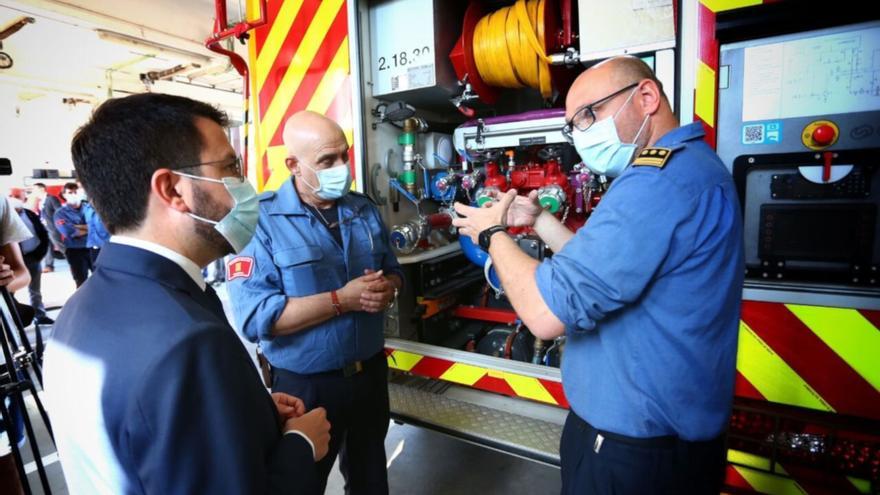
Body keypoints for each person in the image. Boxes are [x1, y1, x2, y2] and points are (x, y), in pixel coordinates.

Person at [452, 56, 744, 495]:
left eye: (591, 113)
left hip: (635, 453)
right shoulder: (690, 169)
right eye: (574, 125)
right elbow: (601, 271)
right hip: (666, 445)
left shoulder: (654, 184)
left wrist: (491, 234)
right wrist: (538, 220)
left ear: (646, 97)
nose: (584, 131)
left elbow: (547, 313)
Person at [44, 93, 330, 494]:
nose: (244, 186)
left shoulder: (81, 309)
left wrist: (253, 414)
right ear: (172, 189)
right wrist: (301, 444)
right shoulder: (188, 341)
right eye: (230, 167)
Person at [228, 111, 403, 495]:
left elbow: (393, 270)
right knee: (303, 483)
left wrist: (388, 288)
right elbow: (257, 317)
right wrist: (342, 300)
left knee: (371, 478)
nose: (342, 167)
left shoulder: (362, 208)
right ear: (293, 165)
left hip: (369, 376)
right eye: (327, 160)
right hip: (305, 389)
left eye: (344, 155)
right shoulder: (260, 220)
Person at [9, 197, 53, 324]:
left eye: (19, 210)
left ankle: (40, 315)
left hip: (33, 257)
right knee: (11, 291)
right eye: (15, 211)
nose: (17, 213)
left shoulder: (29, 214)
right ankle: (13, 318)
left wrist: (40, 253)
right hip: (13, 260)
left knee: (35, 289)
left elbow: (42, 232)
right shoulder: (6, 218)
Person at [53, 182, 93, 287]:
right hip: (75, 251)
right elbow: (69, 232)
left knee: (101, 280)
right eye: (70, 192)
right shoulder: (60, 213)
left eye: (76, 192)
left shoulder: (91, 208)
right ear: (64, 195)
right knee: (81, 281)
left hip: (95, 248)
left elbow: (100, 227)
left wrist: (75, 225)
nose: (73, 194)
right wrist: (90, 227)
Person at [33, 183, 63, 273]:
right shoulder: (40, 201)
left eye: (35, 189)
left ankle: (73, 261)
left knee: (60, 245)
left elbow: (59, 211)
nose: (33, 192)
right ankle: (49, 266)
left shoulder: (51, 198)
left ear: (42, 189)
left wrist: (56, 223)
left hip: (52, 227)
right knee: (47, 247)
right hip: (44, 227)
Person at [83, 197, 110, 265]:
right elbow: (89, 226)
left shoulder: (107, 208)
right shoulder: (87, 208)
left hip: (107, 246)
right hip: (93, 247)